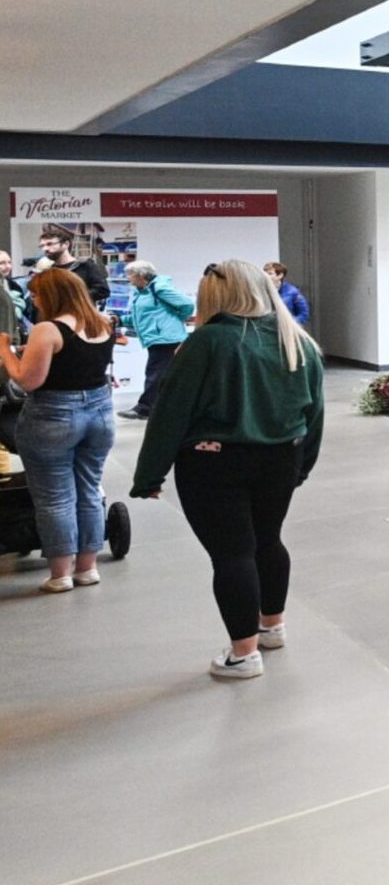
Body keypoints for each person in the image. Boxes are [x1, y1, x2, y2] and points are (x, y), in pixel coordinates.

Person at [127, 262, 326, 678]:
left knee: (233, 554)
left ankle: (243, 654)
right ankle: (272, 628)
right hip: (281, 460)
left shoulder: (206, 343)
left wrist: (149, 476)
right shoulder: (297, 341)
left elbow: (171, 414)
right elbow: (314, 414)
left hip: (214, 464)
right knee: (268, 541)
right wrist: (301, 466)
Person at [2, 269, 121, 594]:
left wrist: (5, 351)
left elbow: (28, 381)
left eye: (37, 294)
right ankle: (88, 568)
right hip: (99, 413)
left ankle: (60, 574)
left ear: (53, 296)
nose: (33, 299)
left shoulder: (47, 329)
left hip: (53, 416)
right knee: (89, 491)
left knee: (55, 497)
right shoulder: (103, 322)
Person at [120, 258, 197, 420]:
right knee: (162, 374)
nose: (128, 278)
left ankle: (145, 409)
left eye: (130, 274)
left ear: (141, 275)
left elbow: (187, 305)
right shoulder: (141, 292)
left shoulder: (159, 288)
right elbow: (139, 316)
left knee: (155, 374)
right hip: (157, 338)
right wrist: (119, 320)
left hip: (166, 338)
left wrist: (178, 319)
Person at [35, 232, 111, 305]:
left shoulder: (85, 266)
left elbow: (103, 291)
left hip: (81, 316)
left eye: (49, 244)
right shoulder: (49, 271)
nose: (45, 249)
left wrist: (72, 296)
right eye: (42, 246)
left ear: (66, 244)